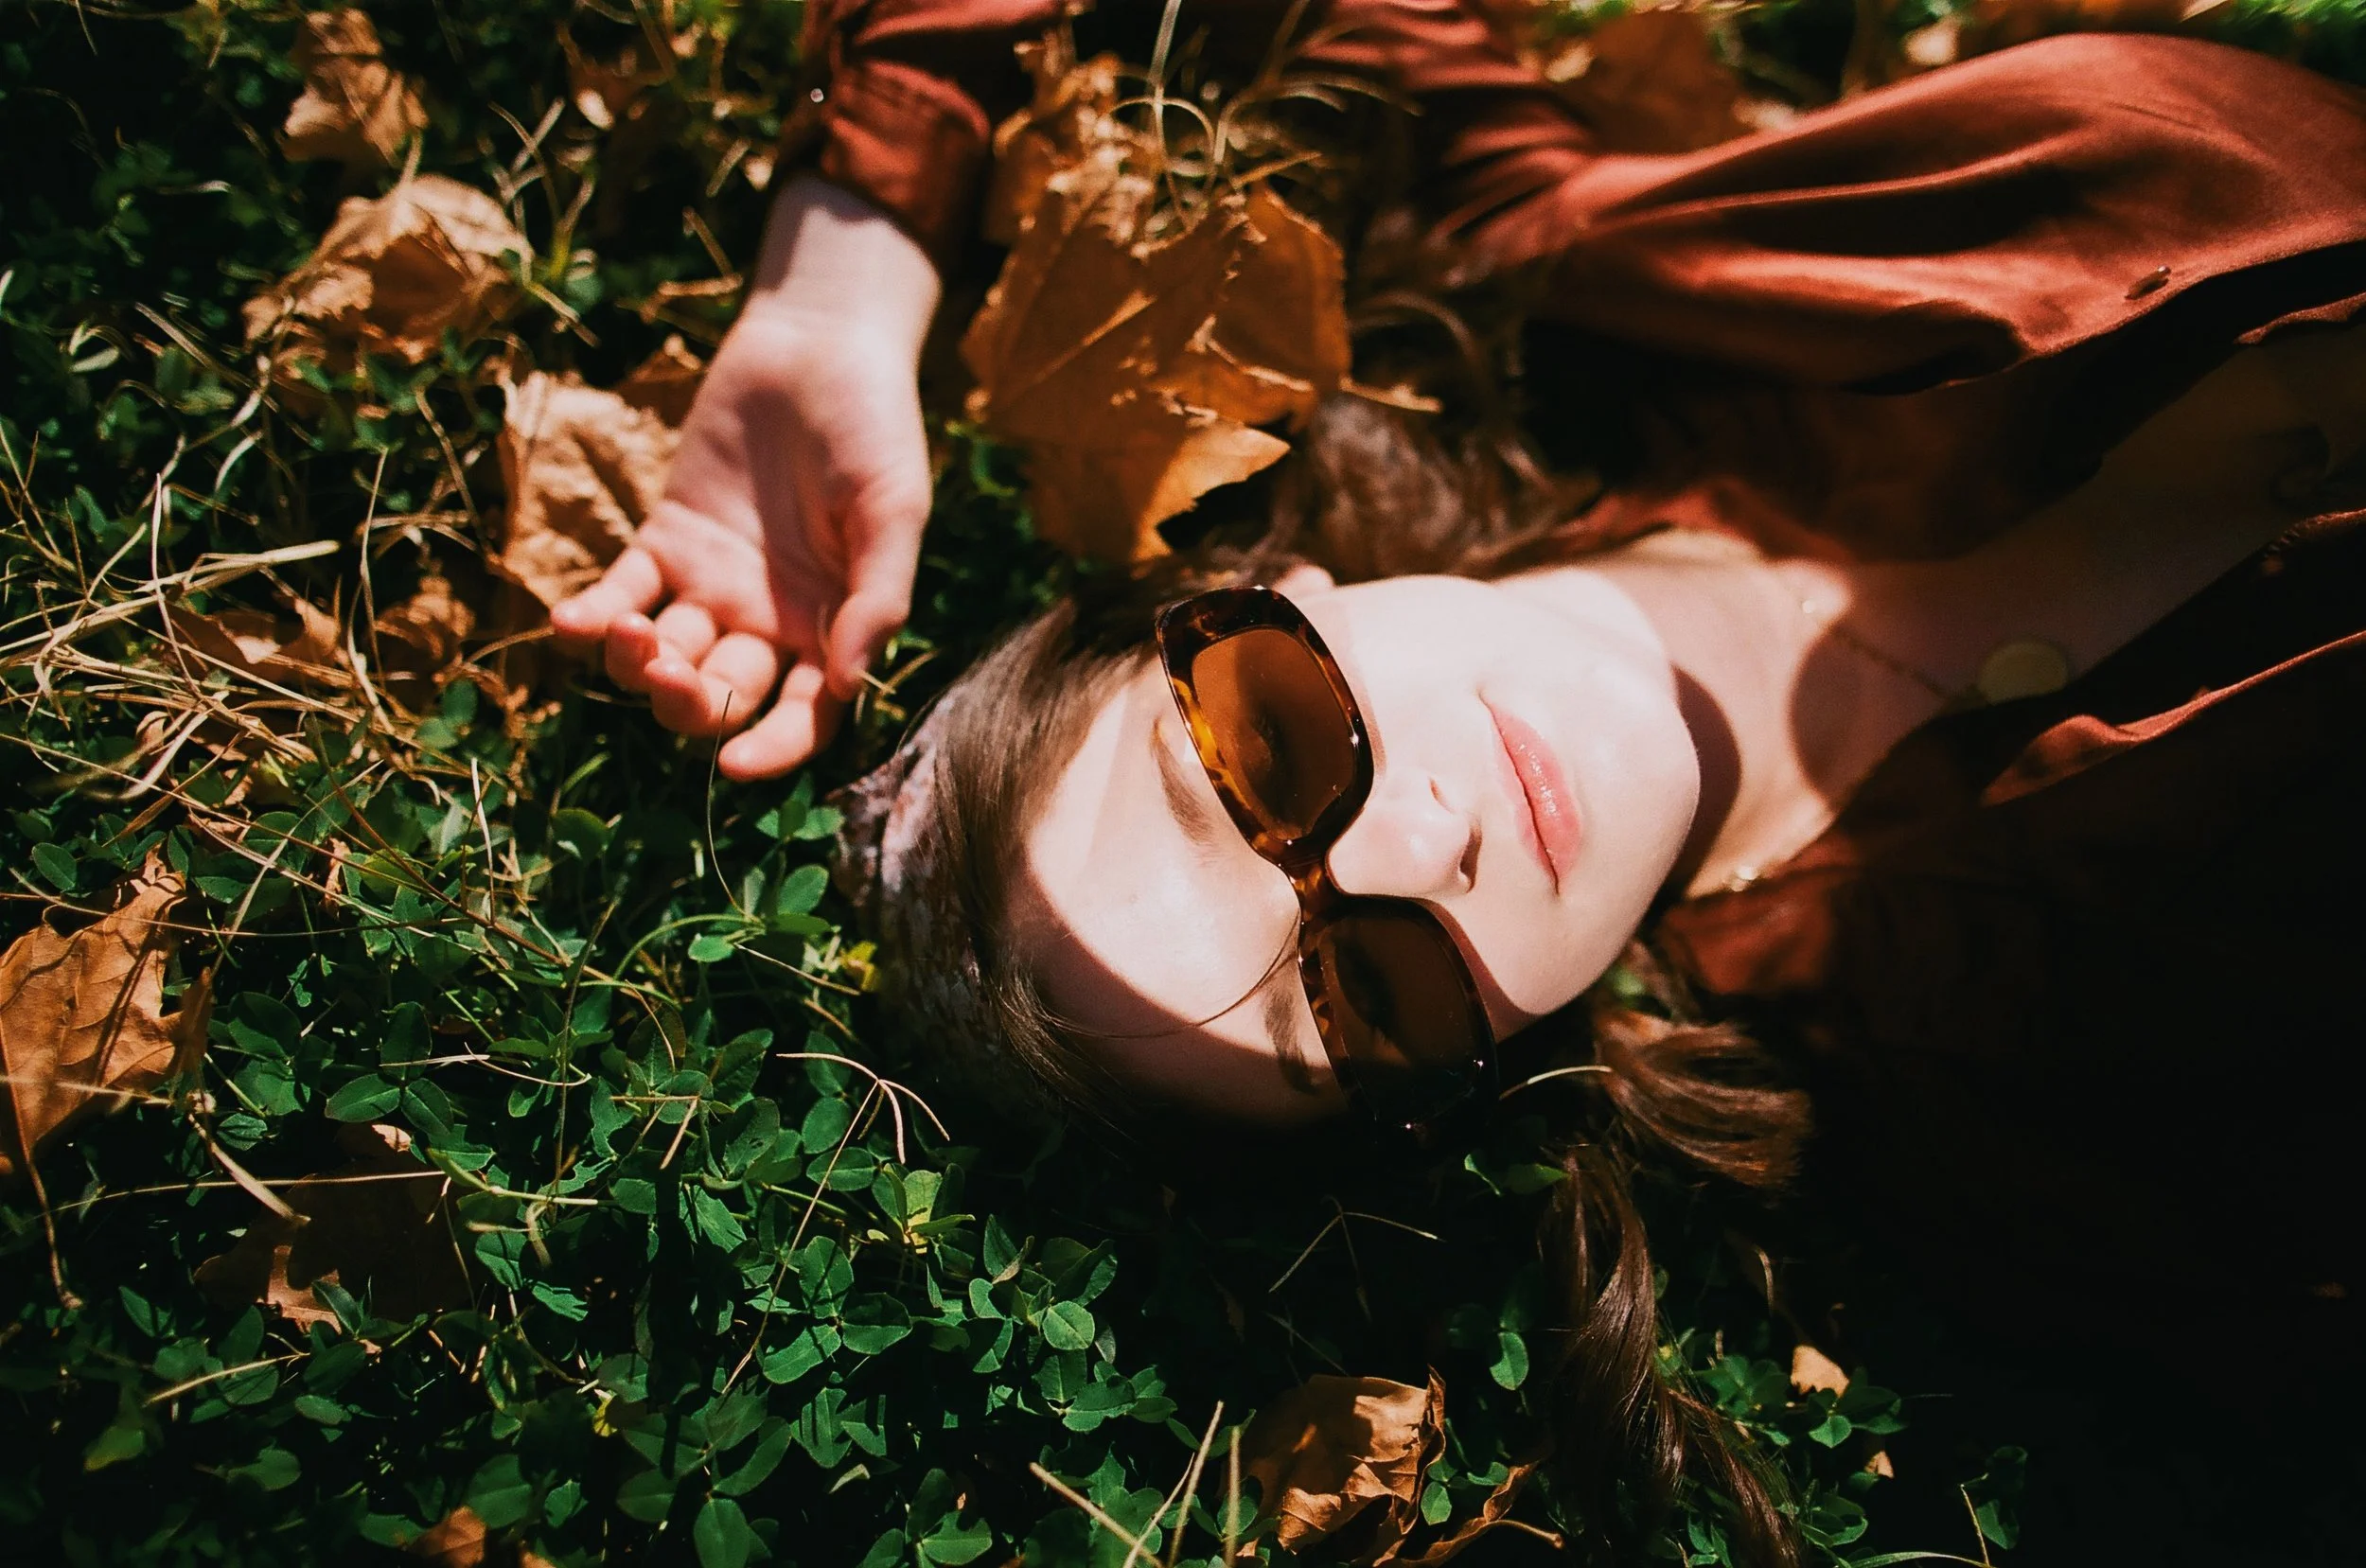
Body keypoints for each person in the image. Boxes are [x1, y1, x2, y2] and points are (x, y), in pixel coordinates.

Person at [551, 5, 2366, 1560]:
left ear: (1259, 595)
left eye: (1273, 750)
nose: (1430, 838)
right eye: (1372, 988)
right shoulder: (2053, 1097)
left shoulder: (1592, 273)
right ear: (1489, 1065)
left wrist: (844, 271)